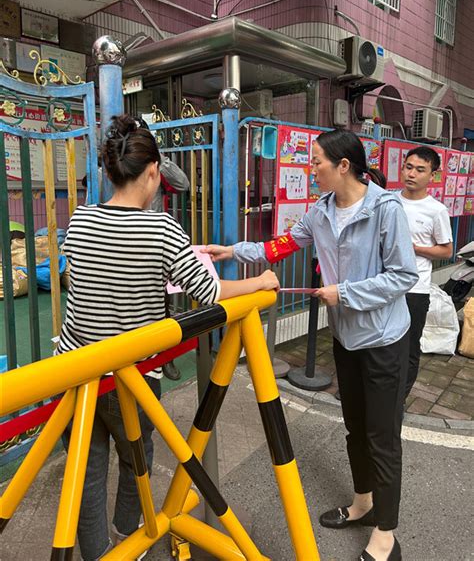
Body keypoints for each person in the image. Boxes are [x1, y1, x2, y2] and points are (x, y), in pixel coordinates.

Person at [57, 114, 279, 561]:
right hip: (129, 377)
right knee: (135, 454)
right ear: (155, 172)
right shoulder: (162, 230)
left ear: (107, 172)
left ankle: (96, 552)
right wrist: (261, 281)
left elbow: (75, 281)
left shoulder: (79, 222)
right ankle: (128, 533)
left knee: (84, 468)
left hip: (74, 372)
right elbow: (211, 292)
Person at [203, 129, 418, 561]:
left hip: (383, 340)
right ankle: (363, 502)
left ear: (343, 166)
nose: (311, 169)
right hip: (346, 338)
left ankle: (385, 534)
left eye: (316, 161)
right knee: (356, 428)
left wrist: (346, 293)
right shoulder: (320, 212)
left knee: (382, 436)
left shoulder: (385, 208)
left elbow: (403, 276)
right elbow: (279, 246)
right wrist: (231, 251)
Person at [134, 116, 191, 382]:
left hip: (151, 246)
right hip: (120, 241)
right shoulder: (111, 166)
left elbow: (182, 185)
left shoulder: (157, 167)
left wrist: (159, 158)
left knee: (160, 307)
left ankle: (164, 358)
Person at [398, 146, 453, 398]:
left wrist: (415, 249)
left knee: (409, 348)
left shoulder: (436, 210)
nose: (412, 174)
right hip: (383, 285)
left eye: (420, 170)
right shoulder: (389, 201)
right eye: (409, 167)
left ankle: (398, 399)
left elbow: (446, 251)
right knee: (379, 343)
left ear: (432, 175)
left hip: (415, 290)